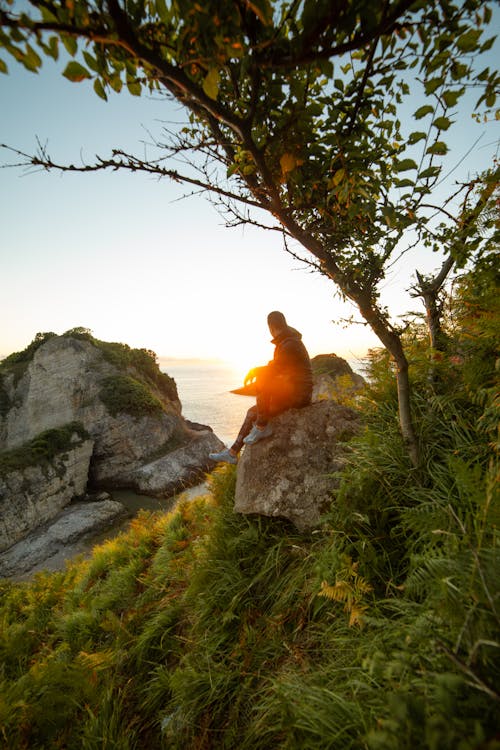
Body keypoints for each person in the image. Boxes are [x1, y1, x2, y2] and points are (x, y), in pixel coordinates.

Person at [209, 310, 313, 464]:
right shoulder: (286, 341)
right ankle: (232, 453)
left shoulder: (290, 343)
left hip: (299, 394)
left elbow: (275, 368)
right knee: (253, 411)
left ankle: (262, 426)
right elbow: (276, 366)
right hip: (295, 390)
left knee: (263, 378)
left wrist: (256, 371)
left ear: (271, 327)